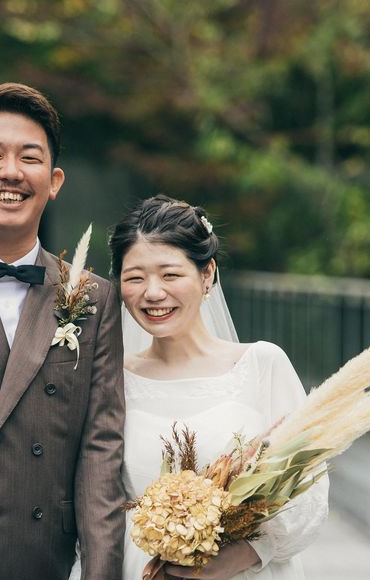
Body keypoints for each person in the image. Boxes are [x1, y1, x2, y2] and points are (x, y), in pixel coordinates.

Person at [0, 83, 125, 580]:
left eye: (30, 158)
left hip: (41, 559)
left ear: (54, 181)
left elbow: (100, 453)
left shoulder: (93, 297)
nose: (11, 172)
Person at [109, 194, 329, 580]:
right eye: (135, 278)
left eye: (170, 275)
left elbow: (310, 491)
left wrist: (237, 557)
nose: (153, 293)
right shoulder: (111, 379)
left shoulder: (262, 365)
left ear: (207, 274)